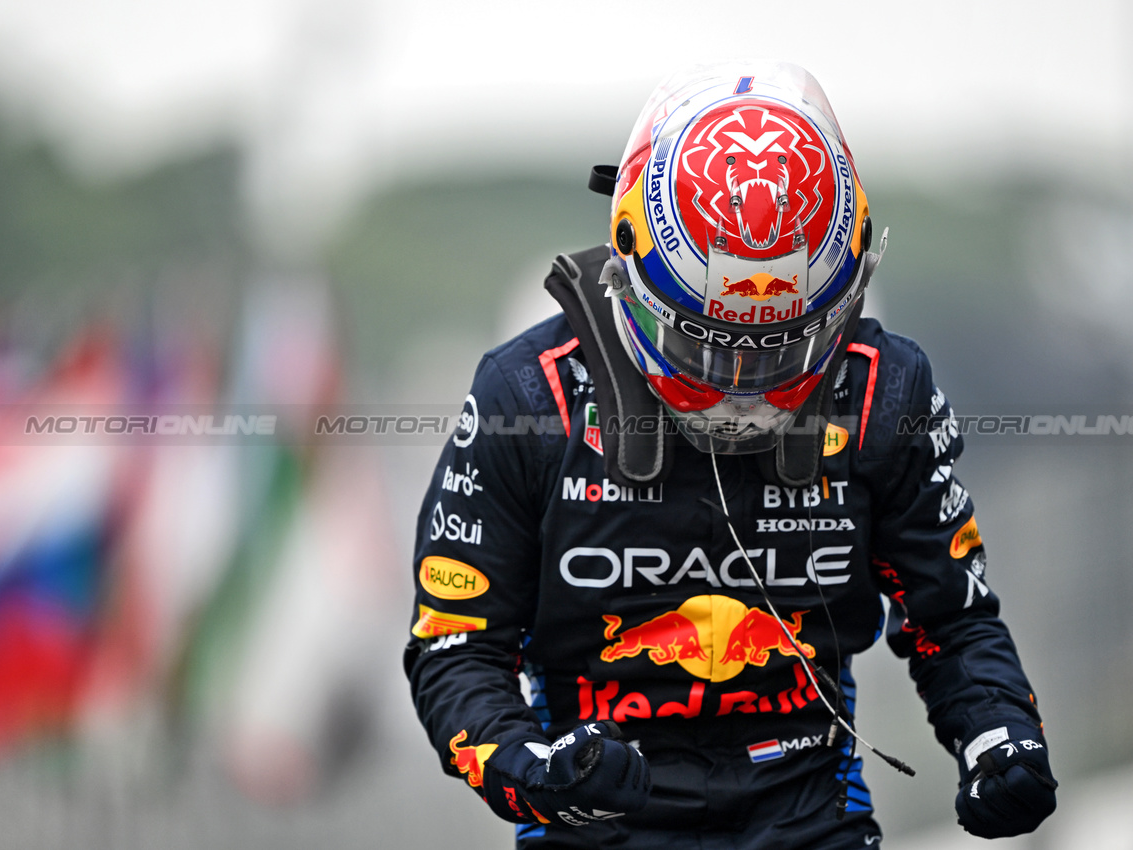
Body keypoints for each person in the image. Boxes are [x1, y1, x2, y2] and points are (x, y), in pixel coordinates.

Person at [404, 62, 1058, 849]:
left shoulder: (886, 392)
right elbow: (455, 645)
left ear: (845, 297)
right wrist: (534, 767)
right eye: (707, 346)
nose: (739, 391)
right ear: (629, 273)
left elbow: (950, 618)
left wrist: (997, 735)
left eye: (779, 349)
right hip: (600, 822)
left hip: (810, 816)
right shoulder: (529, 399)